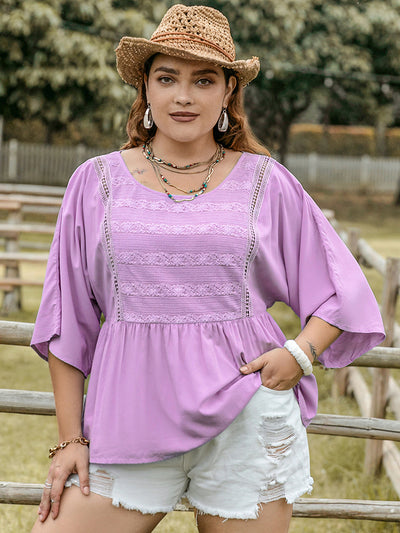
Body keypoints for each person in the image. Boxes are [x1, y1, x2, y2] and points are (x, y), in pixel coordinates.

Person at [30, 4, 385, 533]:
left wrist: (300, 354)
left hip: (249, 416)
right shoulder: (93, 182)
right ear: (145, 89)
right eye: (167, 77)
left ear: (227, 94)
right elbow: (68, 321)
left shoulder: (268, 182)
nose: (184, 95)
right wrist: (70, 439)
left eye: (203, 80)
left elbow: (340, 288)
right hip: (127, 420)